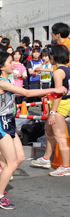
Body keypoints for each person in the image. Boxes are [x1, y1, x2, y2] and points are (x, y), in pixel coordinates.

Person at [0, 51, 67, 209]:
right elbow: (27, 92)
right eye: (10, 62)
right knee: (11, 163)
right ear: (0, 66)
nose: (14, 64)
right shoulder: (0, 82)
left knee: (20, 158)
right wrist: (54, 90)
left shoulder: (6, 79)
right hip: (0, 123)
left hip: (9, 122)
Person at [31, 45, 70, 176]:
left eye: (50, 55)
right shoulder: (66, 69)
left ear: (54, 56)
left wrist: (52, 112)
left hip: (60, 105)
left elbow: (58, 94)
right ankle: (46, 159)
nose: (49, 57)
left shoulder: (58, 72)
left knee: (60, 137)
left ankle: (66, 167)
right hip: (62, 103)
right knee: (49, 132)